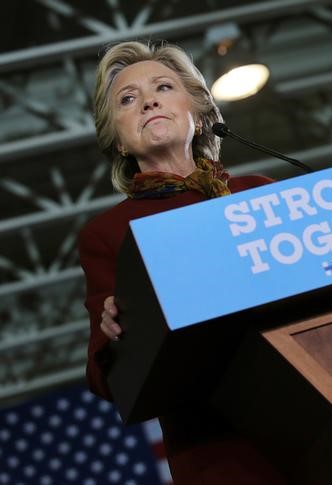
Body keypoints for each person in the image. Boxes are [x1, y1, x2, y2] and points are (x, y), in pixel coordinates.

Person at [77, 40, 285, 484]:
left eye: (163, 87)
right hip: (222, 451)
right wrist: (112, 333)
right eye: (128, 100)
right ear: (116, 139)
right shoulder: (109, 234)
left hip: (319, 408)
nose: (148, 100)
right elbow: (105, 378)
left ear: (201, 111)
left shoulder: (260, 192)